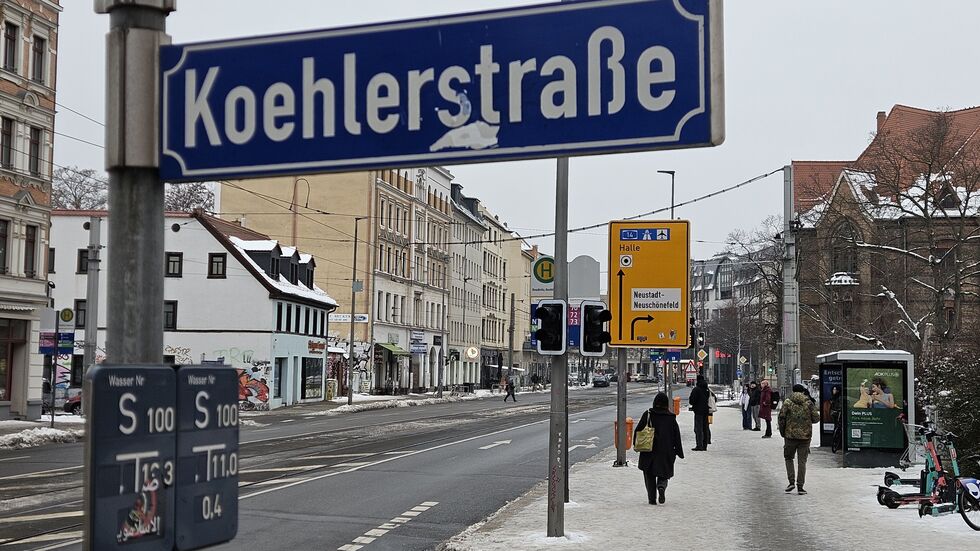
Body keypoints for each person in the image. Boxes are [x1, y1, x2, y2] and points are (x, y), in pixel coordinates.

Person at [634, 392, 685, 505]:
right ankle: (661, 486)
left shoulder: (648, 414)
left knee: (649, 474)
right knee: (664, 473)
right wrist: (679, 451)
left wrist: (636, 444)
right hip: (666, 450)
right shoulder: (671, 418)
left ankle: (652, 499)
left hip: (649, 450)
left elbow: (638, 430)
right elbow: (676, 435)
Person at [778, 383, 821, 495]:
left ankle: (791, 482)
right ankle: (800, 486)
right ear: (803, 391)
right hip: (805, 437)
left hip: (790, 436)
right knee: (802, 461)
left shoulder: (787, 402)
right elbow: (816, 418)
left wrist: (783, 432)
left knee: (788, 458)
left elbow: (781, 418)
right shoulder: (808, 403)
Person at [688, 375, 710, 451]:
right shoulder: (706, 389)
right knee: (705, 428)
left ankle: (699, 445)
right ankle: (705, 445)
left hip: (698, 411)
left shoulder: (696, 389)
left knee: (698, 428)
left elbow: (692, 401)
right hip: (706, 410)